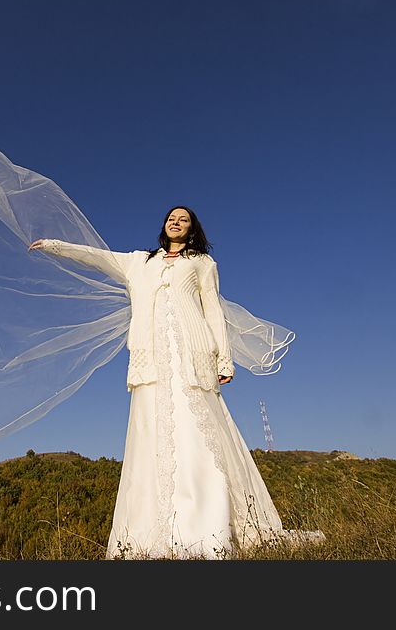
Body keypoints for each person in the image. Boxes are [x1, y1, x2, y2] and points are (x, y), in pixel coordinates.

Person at [30, 205, 325, 559]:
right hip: (150, 363)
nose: (176, 222)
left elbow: (213, 310)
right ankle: (151, 533)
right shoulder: (139, 262)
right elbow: (96, 256)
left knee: (198, 434)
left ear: (192, 229)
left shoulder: (201, 264)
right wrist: (53, 246)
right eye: (172, 217)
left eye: (183, 219)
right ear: (164, 225)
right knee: (151, 437)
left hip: (192, 358)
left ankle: (208, 529)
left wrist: (224, 357)